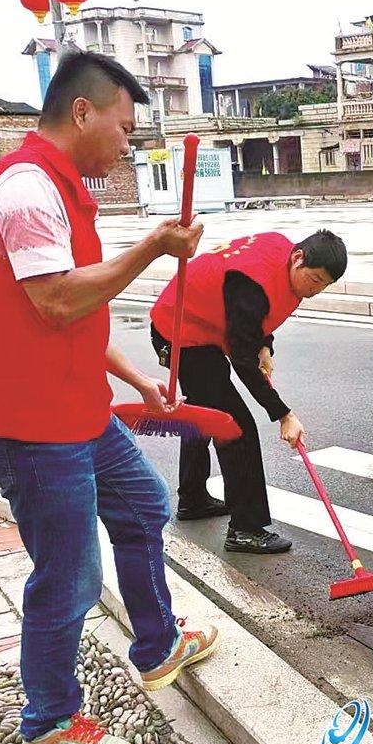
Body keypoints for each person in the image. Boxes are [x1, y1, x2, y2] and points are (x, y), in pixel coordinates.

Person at [0, 51, 218, 744]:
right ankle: (48, 720)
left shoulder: (63, 190)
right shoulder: (27, 191)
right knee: (68, 574)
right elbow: (58, 299)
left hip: (73, 408)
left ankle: (157, 641)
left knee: (141, 504)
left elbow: (72, 317)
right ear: (83, 112)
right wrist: (154, 248)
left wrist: (142, 381)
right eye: (125, 127)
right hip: (28, 424)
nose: (129, 143)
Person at [150, 229, 347, 554]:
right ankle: (246, 529)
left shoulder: (279, 250)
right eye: (313, 280)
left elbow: (252, 323)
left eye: (323, 285)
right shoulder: (253, 283)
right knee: (235, 427)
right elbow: (242, 357)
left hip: (197, 325)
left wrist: (265, 346)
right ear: (298, 258)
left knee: (206, 412)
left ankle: (193, 498)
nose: (314, 290)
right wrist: (283, 414)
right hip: (182, 333)